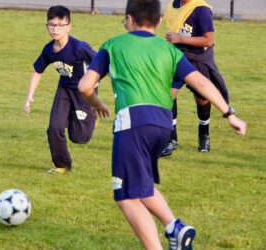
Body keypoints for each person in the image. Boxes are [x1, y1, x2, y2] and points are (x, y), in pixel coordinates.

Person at [78, 0, 246, 249]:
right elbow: (200, 82)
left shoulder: (112, 45)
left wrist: (95, 102)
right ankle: (174, 227)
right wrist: (229, 113)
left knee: (125, 196)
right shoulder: (169, 50)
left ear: (129, 19)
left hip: (133, 125)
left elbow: (84, 86)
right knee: (142, 185)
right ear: (158, 22)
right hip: (163, 126)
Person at [24, 5, 98, 174]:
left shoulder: (79, 47)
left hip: (84, 92)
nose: (55, 29)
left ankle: (91, 115)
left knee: (79, 137)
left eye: (60, 25)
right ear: (47, 26)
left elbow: (101, 62)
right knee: (54, 128)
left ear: (69, 27)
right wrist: (29, 97)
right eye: (52, 25)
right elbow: (37, 72)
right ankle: (62, 165)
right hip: (64, 89)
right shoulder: (49, 49)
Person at [161, 0, 230, 156]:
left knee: (202, 99)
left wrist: (180, 39)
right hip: (178, 57)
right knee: (168, 93)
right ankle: (171, 139)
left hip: (199, 58)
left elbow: (208, 40)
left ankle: (203, 135)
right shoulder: (174, 5)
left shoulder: (201, 9)